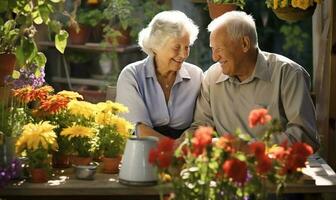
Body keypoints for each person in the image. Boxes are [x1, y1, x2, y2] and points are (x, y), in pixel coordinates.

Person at [187, 11, 320, 151]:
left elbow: (305, 135)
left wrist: (248, 148)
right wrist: (180, 145)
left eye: (219, 49)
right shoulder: (211, 78)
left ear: (244, 44)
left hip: (276, 167)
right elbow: (200, 127)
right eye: (212, 49)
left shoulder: (288, 74)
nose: (215, 57)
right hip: (226, 167)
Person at [115, 10, 203, 139]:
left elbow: (200, 123)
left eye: (187, 47)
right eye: (176, 47)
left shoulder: (196, 76)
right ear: (156, 46)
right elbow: (138, 129)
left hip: (185, 151)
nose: (183, 54)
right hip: (143, 150)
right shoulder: (132, 75)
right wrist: (174, 149)